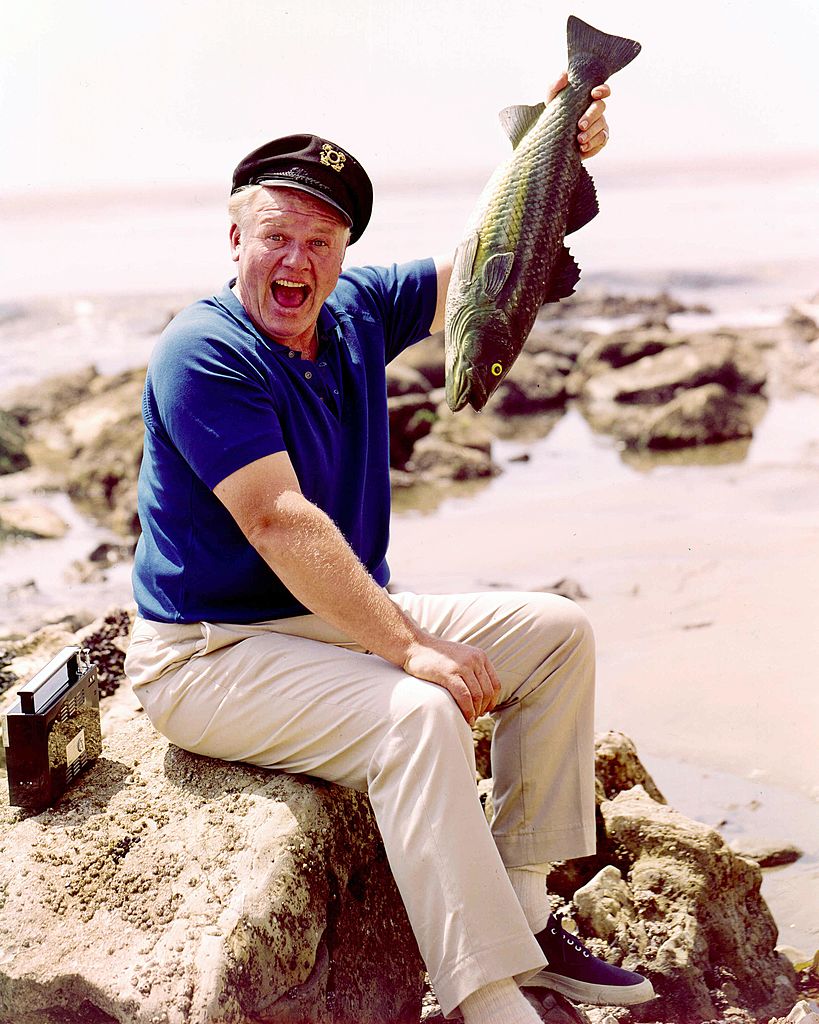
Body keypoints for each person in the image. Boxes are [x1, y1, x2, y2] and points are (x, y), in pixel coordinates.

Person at [125, 73, 654, 1024]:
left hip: (322, 621)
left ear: (341, 254)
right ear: (234, 238)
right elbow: (277, 520)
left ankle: (527, 917)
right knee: (418, 714)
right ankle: (488, 997)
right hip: (210, 654)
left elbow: (483, 262)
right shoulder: (202, 349)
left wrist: (552, 151)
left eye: (319, 242)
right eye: (276, 235)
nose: (296, 260)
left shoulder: (358, 311)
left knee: (557, 631)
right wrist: (405, 645)